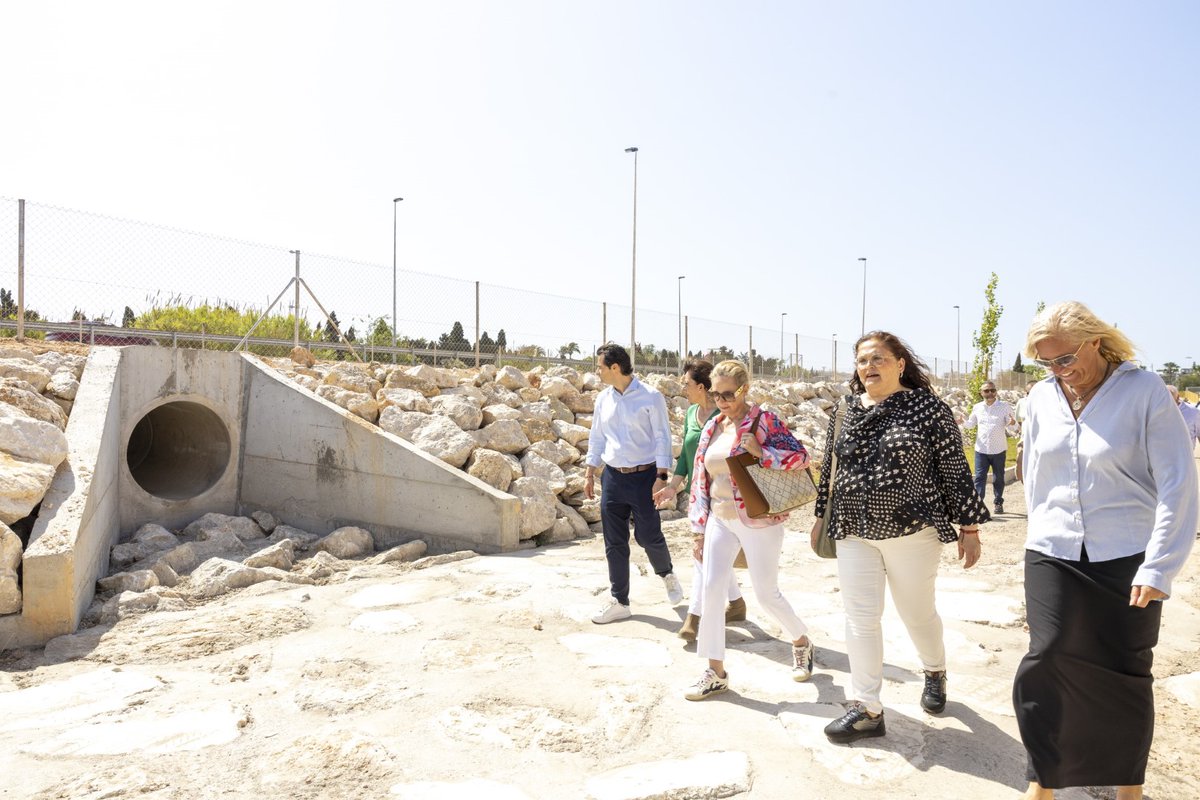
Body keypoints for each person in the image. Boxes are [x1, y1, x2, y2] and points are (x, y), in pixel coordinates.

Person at [1014, 302, 1198, 800]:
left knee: (1125, 671)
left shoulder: (1144, 392)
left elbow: (1178, 483)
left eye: (1067, 358)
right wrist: (1038, 535)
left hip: (1127, 555)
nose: (1059, 371)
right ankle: (1042, 782)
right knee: (1047, 659)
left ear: (1095, 341)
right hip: (1052, 549)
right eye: (1046, 363)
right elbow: (1032, 473)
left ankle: (1127, 787)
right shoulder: (1040, 397)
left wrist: (1159, 566)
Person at [811, 331, 987, 743]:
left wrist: (970, 527)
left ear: (899, 364)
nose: (868, 367)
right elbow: (830, 468)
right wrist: (822, 515)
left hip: (912, 530)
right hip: (854, 528)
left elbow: (954, 470)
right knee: (860, 617)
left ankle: (934, 670)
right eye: (861, 361)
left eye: (877, 359)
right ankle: (867, 707)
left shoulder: (928, 408)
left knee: (916, 613)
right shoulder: (845, 409)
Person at [682, 360, 814, 700]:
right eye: (715, 393)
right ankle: (716, 671)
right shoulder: (713, 426)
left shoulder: (764, 420)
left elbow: (801, 458)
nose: (721, 400)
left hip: (758, 519)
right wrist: (699, 528)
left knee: (766, 593)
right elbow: (702, 477)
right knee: (711, 590)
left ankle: (800, 640)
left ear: (745, 389)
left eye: (728, 393)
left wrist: (764, 453)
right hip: (719, 519)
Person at [585, 343, 683, 624]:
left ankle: (667, 574)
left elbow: (663, 437)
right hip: (613, 477)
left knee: (648, 536)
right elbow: (597, 437)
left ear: (615, 367)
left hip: (644, 477)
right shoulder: (603, 399)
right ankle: (620, 600)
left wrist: (661, 477)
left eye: (600, 366)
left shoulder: (651, 397)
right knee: (614, 542)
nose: (598, 371)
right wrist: (590, 472)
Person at [652, 360, 745, 641]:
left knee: (703, 554)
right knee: (712, 554)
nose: (683, 387)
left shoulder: (725, 414)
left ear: (702, 386)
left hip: (723, 495)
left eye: (687, 383)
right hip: (698, 494)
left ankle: (694, 616)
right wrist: (672, 487)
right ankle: (737, 603)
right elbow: (687, 459)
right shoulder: (692, 413)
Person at [961, 380, 1015, 514]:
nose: (990, 393)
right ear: (981, 393)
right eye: (987, 391)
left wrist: (1013, 423)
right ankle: (979, 505)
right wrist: (962, 421)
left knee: (999, 477)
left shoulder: (1004, 406)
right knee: (980, 478)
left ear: (996, 391)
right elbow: (971, 425)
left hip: (999, 449)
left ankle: (998, 503)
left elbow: (1014, 426)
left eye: (993, 390)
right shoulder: (977, 407)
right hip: (981, 449)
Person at [1015, 379, 1037, 482]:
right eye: (1029, 393)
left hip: (1039, 441)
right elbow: (1019, 420)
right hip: (1024, 440)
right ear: (1025, 393)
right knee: (1021, 463)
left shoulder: (1046, 403)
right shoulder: (1021, 403)